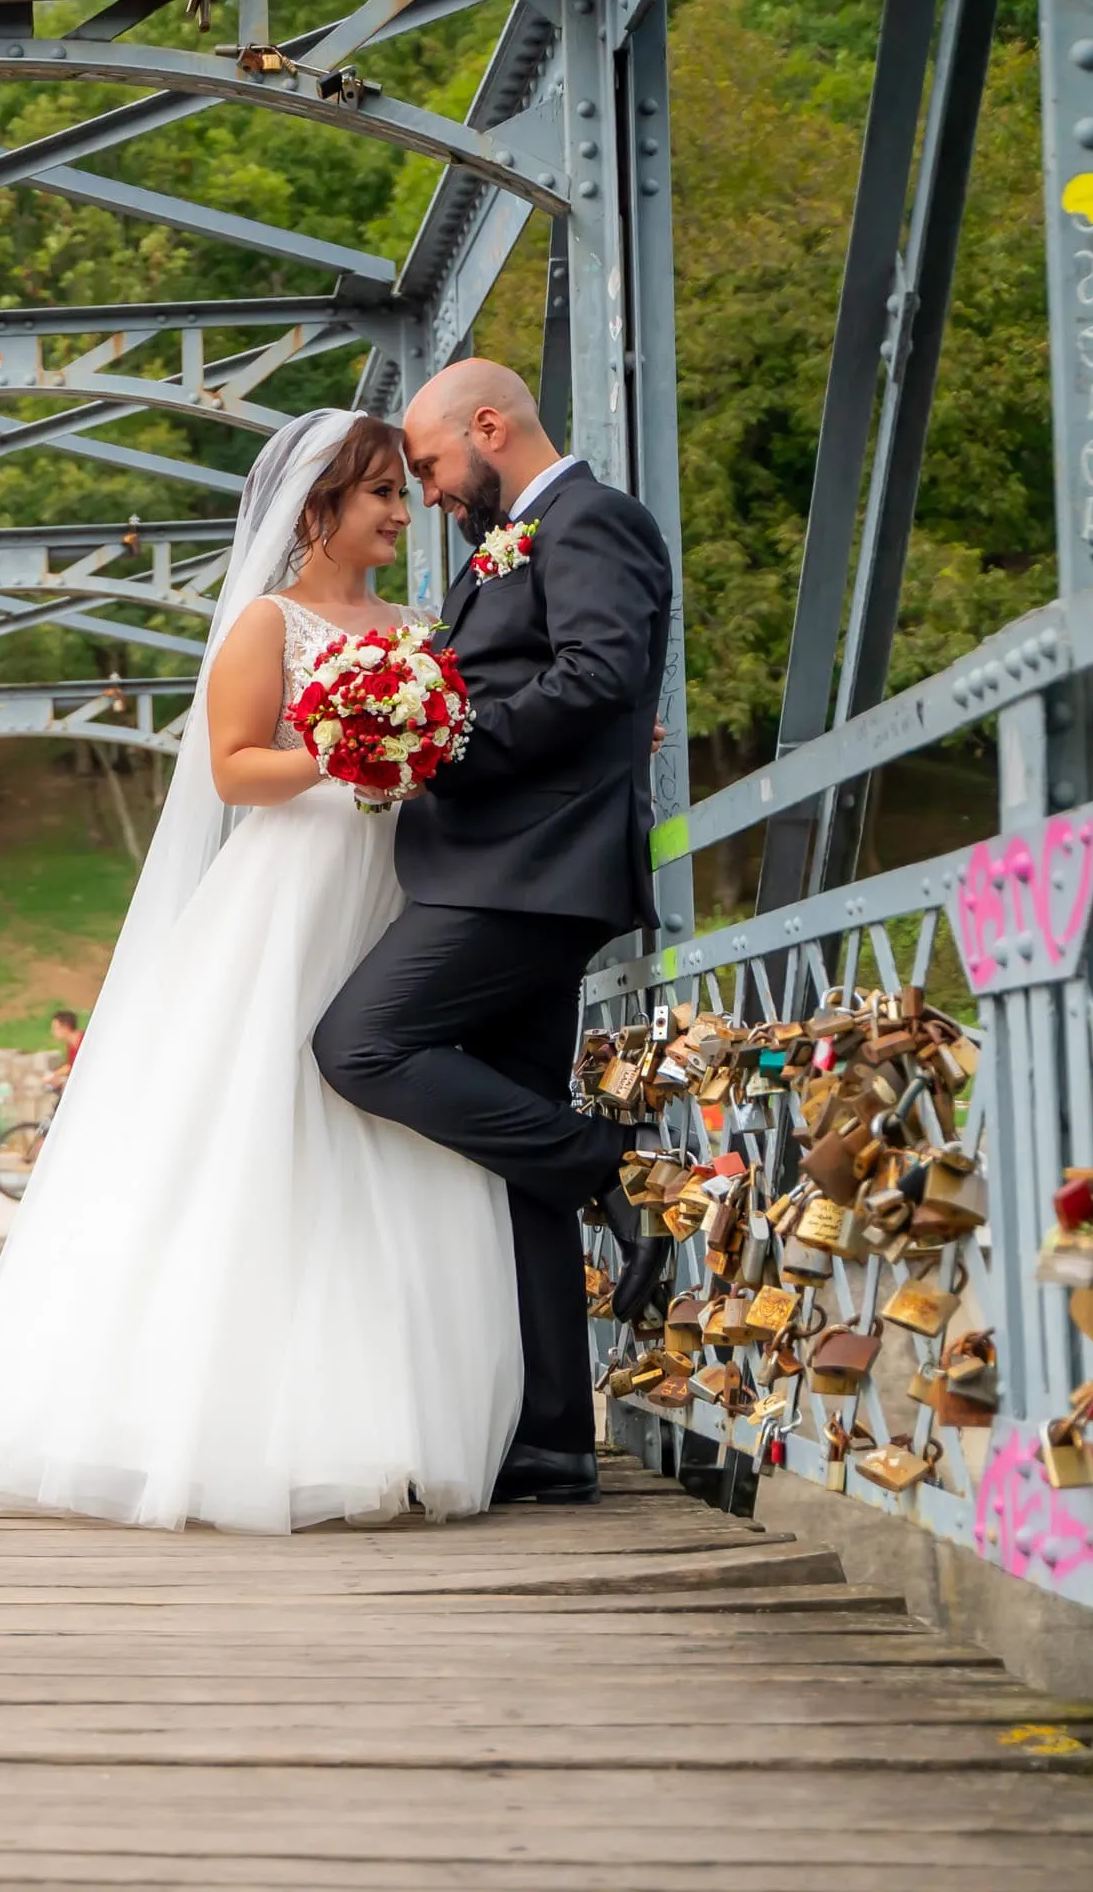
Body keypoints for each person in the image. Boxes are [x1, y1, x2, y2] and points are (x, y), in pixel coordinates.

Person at [0, 408, 523, 1533]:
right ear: (317, 506)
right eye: (381, 492)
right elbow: (237, 771)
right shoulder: (266, 622)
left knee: (382, 1130)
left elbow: (457, 744)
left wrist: (435, 740)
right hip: (290, 894)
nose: (401, 510)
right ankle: (217, 1422)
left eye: (401, 488)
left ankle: (383, 1421)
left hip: (398, 885)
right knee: (257, 1126)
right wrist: (344, 746)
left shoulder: (418, 628)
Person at [312, 358, 672, 1508]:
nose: (423, 489)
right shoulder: (514, 538)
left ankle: (617, 1167)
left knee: (359, 1044)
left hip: (529, 872)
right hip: (509, 865)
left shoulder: (590, 518)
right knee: (521, 1161)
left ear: (486, 426)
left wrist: (448, 743)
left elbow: (603, 673)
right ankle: (554, 1436)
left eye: (425, 464)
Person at [41, 1010, 82, 1098]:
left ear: (65, 1027)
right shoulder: (71, 1046)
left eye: (56, 1028)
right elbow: (71, 1066)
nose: (53, 1032)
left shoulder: (83, 1042)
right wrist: (54, 1075)